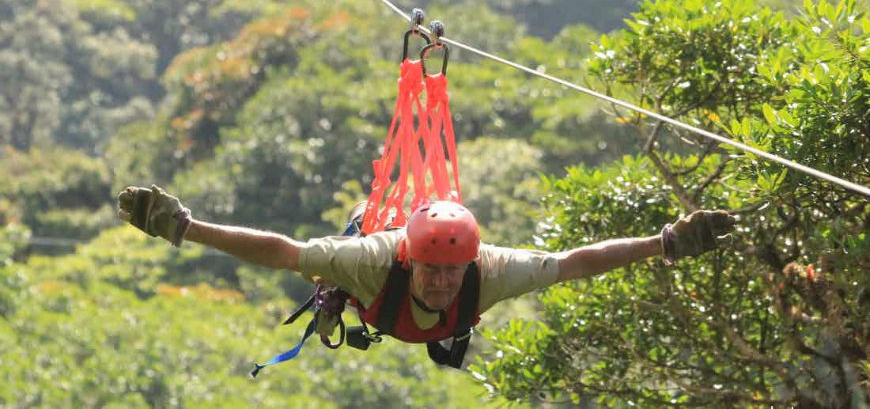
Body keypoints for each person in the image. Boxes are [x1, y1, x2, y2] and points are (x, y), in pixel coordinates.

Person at [117, 185, 736, 369]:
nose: (443, 283)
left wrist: (667, 243)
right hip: (370, 284)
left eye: (452, 273)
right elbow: (283, 252)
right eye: (433, 273)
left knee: (455, 333)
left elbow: (575, 262)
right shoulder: (375, 259)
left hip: (415, 317)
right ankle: (371, 206)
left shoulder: (487, 271)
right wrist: (186, 228)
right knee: (344, 239)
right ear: (411, 260)